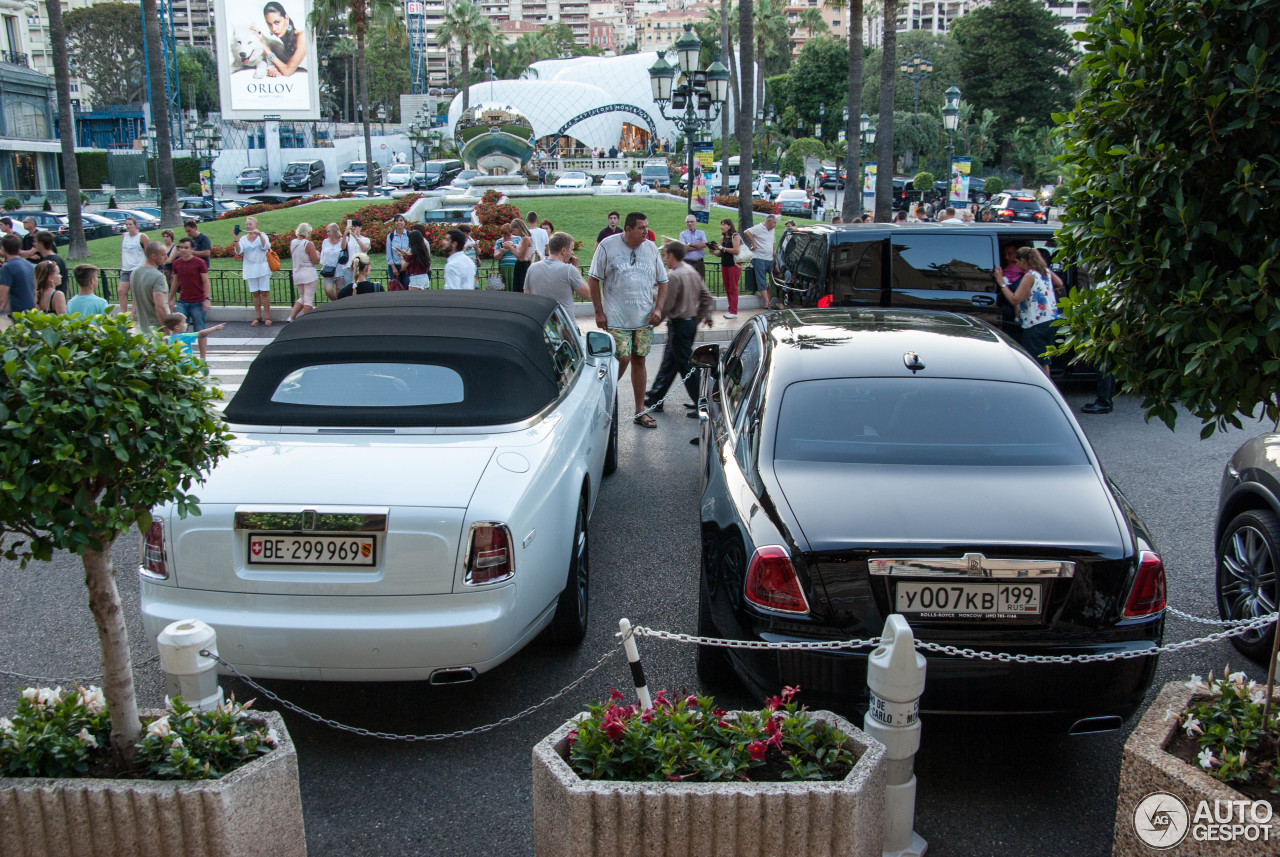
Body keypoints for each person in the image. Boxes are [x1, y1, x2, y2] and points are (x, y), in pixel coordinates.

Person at [587, 211, 667, 429]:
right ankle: (602, 401)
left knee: (639, 359)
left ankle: (640, 410)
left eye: (647, 227)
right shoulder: (607, 246)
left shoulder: (650, 248)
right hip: (616, 318)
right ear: (628, 229)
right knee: (622, 359)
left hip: (643, 318)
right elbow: (593, 279)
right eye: (641, 228)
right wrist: (598, 311)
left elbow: (663, 281)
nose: (646, 232)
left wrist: (659, 308)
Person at [643, 241, 713, 415]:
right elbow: (707, 297)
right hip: (688, 323)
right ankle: (655, 397)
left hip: (680, 324)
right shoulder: (691, 271)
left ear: (671, 255)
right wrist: (699, 317)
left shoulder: (674, 276)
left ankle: (701, 404)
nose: (664, 259)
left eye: (665, 255)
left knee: (685, 365)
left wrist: (654, 323)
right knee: (670, 362)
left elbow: (667, 305)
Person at [1000, 246, 1064, 375]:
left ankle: (1045, 388)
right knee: (1044, 360)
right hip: (1050, 320)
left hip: (1035, 323)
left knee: (1037, 362)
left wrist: (1001, 282)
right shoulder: (1045, 271)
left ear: (1023, 260)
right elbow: (1059, 283)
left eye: (1017, 262)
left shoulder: (1029, 276)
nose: (1016, 265)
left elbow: (1014, 299)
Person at [524, 231, 590, 317]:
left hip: (541, 323)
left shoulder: (532, 268)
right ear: (563, 251)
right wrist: (576, 268)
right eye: (571, 249)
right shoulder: (569, 270)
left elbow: (527, 297)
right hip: (565, 326)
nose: (572, 253)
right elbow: (586, 294)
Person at [168, 237, 214, 355]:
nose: (183, 250)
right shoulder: (177, 263)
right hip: (183, 300)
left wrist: (207, 299)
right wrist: (170, 298)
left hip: (198, 301)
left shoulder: (199, 263)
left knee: (200, 330)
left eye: (186, 248)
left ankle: (202, 359)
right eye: (181, 247)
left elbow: (205, 281)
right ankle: (179, 355)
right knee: (178, 328)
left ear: (192, 249)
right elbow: (175, 281)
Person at [252, 0, 308, 77]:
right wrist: (275, 68)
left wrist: (263, 46)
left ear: (286, 18)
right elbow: (284, 66)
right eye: (269, 24)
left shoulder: (302, 36)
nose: (274, 28)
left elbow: (287, 71)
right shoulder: (280, 41)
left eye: (277, 22)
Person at [234, 215, 272, 326]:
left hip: (262, 268)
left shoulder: (262, 235)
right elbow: (238, 251)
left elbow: (266, 246)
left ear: (255, 225)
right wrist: (236, 239)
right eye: (247, 224)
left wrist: (259, 234)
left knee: (264, 292)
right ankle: (258, 317)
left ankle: (268, 317)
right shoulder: (243, 239)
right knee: (255, 293)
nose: (248, 226)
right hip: (250, 268)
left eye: (250, 224)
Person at [706, 218, 742, 319]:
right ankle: (730, 309)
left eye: (724, 224)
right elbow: (721, 254)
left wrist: (723, 248)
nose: (722, 226)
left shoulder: (735, 236)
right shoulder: (723, 238)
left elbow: (736, 250)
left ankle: (734, 311)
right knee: (727, 288)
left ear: (730, 226)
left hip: (734, 264)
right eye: (721, 224)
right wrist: (714, 252)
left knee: (733, 288)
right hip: (725, 264)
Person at [130, 242, 170, 332]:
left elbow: (135, 300)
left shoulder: (135, 273)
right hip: (157, 330)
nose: (166, 257)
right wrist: (167, 329)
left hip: (143, 329)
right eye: (163, 255)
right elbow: (160, 307)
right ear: (153, 256)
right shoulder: (158, 276)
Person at [286, 223, 320, 322]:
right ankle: (306, 321)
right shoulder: (308, 244)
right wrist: (318, 254)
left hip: (297, 273)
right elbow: (315, 261)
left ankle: (291, 317)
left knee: (303, 297)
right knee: (308, 299)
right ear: (307, 232)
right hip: (308, 274)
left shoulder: (293, 243)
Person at [161, 312, 226, 362]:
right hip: (187, 364)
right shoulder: (184, 337)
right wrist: (215, 327)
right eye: (184, 323)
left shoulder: (170, 338)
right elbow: (200, 333)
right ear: (177, 327)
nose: (186, 324)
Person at [118, 216, 150, 314]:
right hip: (126, 268)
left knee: (135, 293)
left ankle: (133, 314)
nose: (128, 226)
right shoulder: (124, 236)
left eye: (130, 224)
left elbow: (148, 252)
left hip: (137, 268)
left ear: (135, 225)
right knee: (121, 291)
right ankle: (123, 313)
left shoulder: (142, 236)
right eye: (126, 224)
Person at [742, 213, 777, 298]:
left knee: (775, 277)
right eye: (774, 223)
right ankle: (766, 301)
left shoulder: (772, 230)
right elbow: (746, 232)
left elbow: (772, 243)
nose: (775, 225)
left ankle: (769, 296)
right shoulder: (759, 228)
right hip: (759, 257)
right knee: (761, 279)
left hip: (769, 258)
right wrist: (753, 243)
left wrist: (774, 255)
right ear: (768, 221)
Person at [0, 234, 35, 316]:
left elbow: (2, 295)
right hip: (32, 308)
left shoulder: (7, 267)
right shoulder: (28, 264)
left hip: (19, 310)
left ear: (3, 248)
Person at [32, 231, 68, 298]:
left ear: (41, 243)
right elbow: (66, 283)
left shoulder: (48, 263)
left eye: (35, 242)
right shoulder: (59, 259)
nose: (34, 244)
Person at [319, 222, 345, 300]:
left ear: (335, 231)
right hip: (328, 270)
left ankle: (338, 307)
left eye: (329, 231)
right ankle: (336, 303)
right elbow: (323, 254)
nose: (328, 233)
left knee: (340, 293)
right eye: (327, 231)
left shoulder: (342, 241)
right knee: (328, 290)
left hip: (340, 270)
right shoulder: (325, 242)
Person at [510, 218, 535, 292]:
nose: (513, 233)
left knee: (521, 287)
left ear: (518, 228)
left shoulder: (526, 239)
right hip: (521, 264)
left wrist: (511, 249)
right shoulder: (523, 238)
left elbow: (521, 257)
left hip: (523, 265)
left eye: (514, 230)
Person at [679, 215, 708, 279]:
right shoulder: (682, 234)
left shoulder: (701, 233)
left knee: (699, 283)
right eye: (688, 222)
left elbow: (704, 245)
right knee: (688, 283)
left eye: (692, 221)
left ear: (695, 222)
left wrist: (690, 244)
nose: (690, 223)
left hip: (699, 263)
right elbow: (685, 248)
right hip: (688, 263)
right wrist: (699, 245)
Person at [386, 214, 410, 289]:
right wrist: (393, 267)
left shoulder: (409, 235)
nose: (399, 223)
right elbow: (389, 253)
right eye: (397, 221)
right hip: (395, 266)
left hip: (407, 266)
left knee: (406, 286)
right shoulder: (390, 236)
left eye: (401, 220)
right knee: (396, 288)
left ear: (404, 222)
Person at [494, 223, 517, 290]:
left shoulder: (517, 239)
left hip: (515, 267)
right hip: (504, 267)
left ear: (511, 232)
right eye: (504, 235)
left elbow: (521, 251)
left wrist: (512, 247)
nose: (506, 237)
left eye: (508, 235)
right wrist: (502, 252)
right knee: (505, 286)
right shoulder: (499, 241)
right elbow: (496, 256)